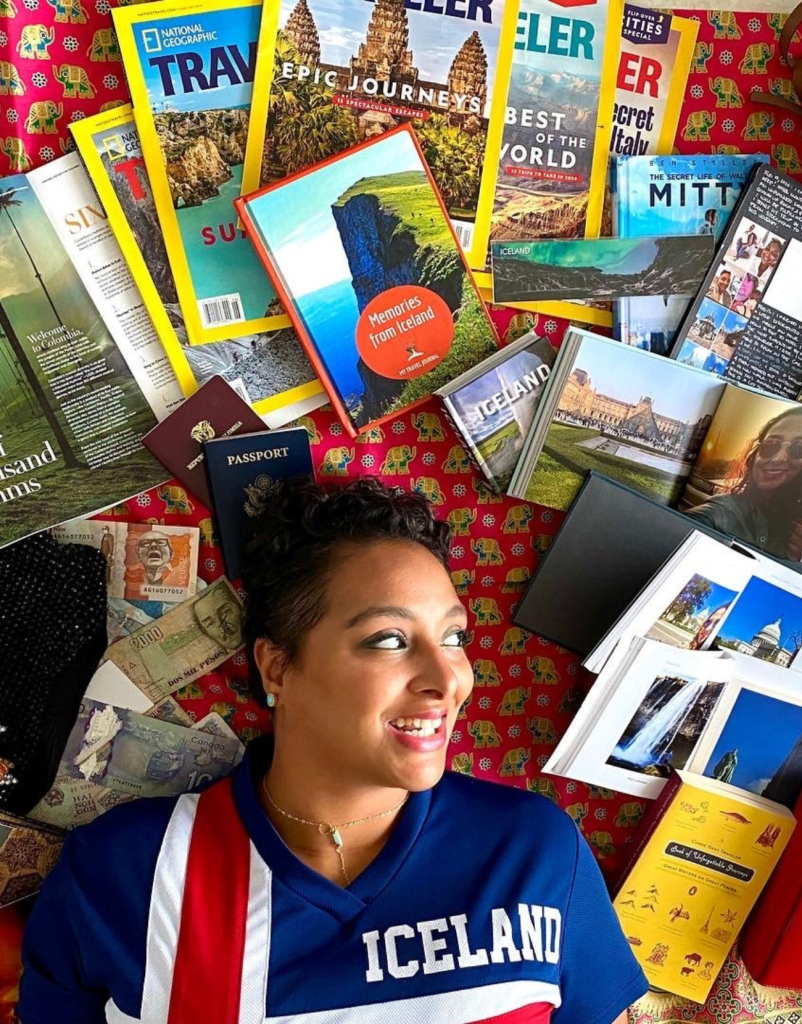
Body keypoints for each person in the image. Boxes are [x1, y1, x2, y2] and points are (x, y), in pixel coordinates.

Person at [20, 479, 647, 1024]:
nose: (448, 677)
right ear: (278, 667)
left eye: (453, 636)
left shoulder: (534, 850)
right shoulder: (123, 871)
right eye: (389, 639)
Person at [686, 407, 802, 562]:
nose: (778, 458)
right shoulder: (720, 512)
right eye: (770, 445)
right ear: (755, 455)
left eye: (799, 448)